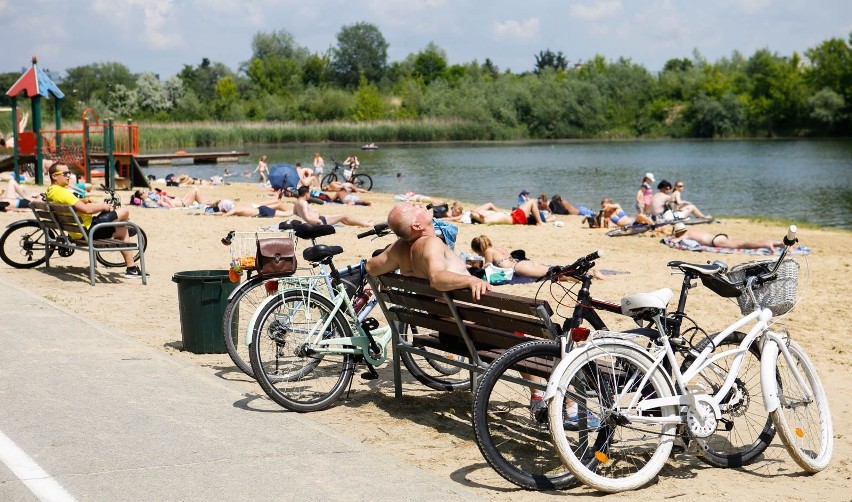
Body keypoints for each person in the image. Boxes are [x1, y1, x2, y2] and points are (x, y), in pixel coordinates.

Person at [366, 202, 491, 300]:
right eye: (415, 207)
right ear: (417, 226)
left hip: (440, 320)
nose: (421, 205)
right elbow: (436, 278)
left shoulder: (398, 247)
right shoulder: (432, 243)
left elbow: (371, 267)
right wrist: (471, 280)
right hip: (461, 323)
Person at [45, 163, 147, 279]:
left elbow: (72, 203)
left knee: (122, 228)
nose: (68, 176)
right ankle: (131, 267)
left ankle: (131, 268)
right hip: (87, 231)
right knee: (124, 212)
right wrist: (103, 207)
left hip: (75, 230)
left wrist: (84, 200)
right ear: (54, 176)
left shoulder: (52, 191)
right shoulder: (63, 192)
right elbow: (87, 210)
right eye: (65, 174)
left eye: (69, 173)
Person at [470, 234, 604, 281]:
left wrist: (474, 266)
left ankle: (592, 273)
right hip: (523, 264)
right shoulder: (498, 248)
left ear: (478, 248)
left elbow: (487, 267)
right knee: (554, 270)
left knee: (553, 273)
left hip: (519, 268)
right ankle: (589, 273)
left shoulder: (488, 251)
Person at [670, 222, 781, 251]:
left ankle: (767, 245)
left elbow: (676, 240)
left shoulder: (685, 234)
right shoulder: (692, 230)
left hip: (717, 241)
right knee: (746, 241)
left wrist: (671, 239)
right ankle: (778, 244)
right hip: (721, 236)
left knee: (744, 245)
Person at [292, 186, 371, 227]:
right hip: (319, 222)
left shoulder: (297, 202)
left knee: (343, 219)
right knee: (344, 216)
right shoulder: (304, 203)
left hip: (319, 219)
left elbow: (295, 213)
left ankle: (362, 223)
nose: (309, 195)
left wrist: (313, 213)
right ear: (306, 194)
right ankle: (364, 224)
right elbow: (307, 218)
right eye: (309, 193)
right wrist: (318, 221)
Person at [470, 200, 545, 225]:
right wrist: (478, 213)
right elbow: (472, 214)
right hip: (516, 218)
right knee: (532, 202)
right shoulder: (487, 220)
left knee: (531, 202)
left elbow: (472, 212)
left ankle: (540, 221)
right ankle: (540, 223)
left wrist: (477, 211)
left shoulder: (488, 217)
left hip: (514, 215)